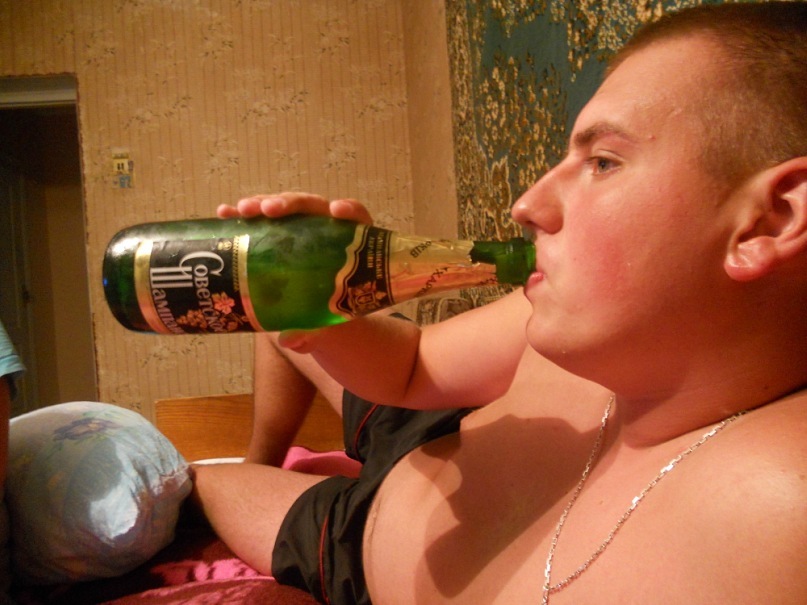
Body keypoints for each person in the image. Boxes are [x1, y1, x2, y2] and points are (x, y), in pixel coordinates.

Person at [191, 3, 807, 603]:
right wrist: (329, 323)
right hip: (430, 427)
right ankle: (267, 452)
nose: (526, 206)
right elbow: (411, 366)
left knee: (199, 479)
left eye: (602, 162)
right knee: (270, 298)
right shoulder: (577, 317)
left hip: (356, 540)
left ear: (770, 219)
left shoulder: (775, 508)